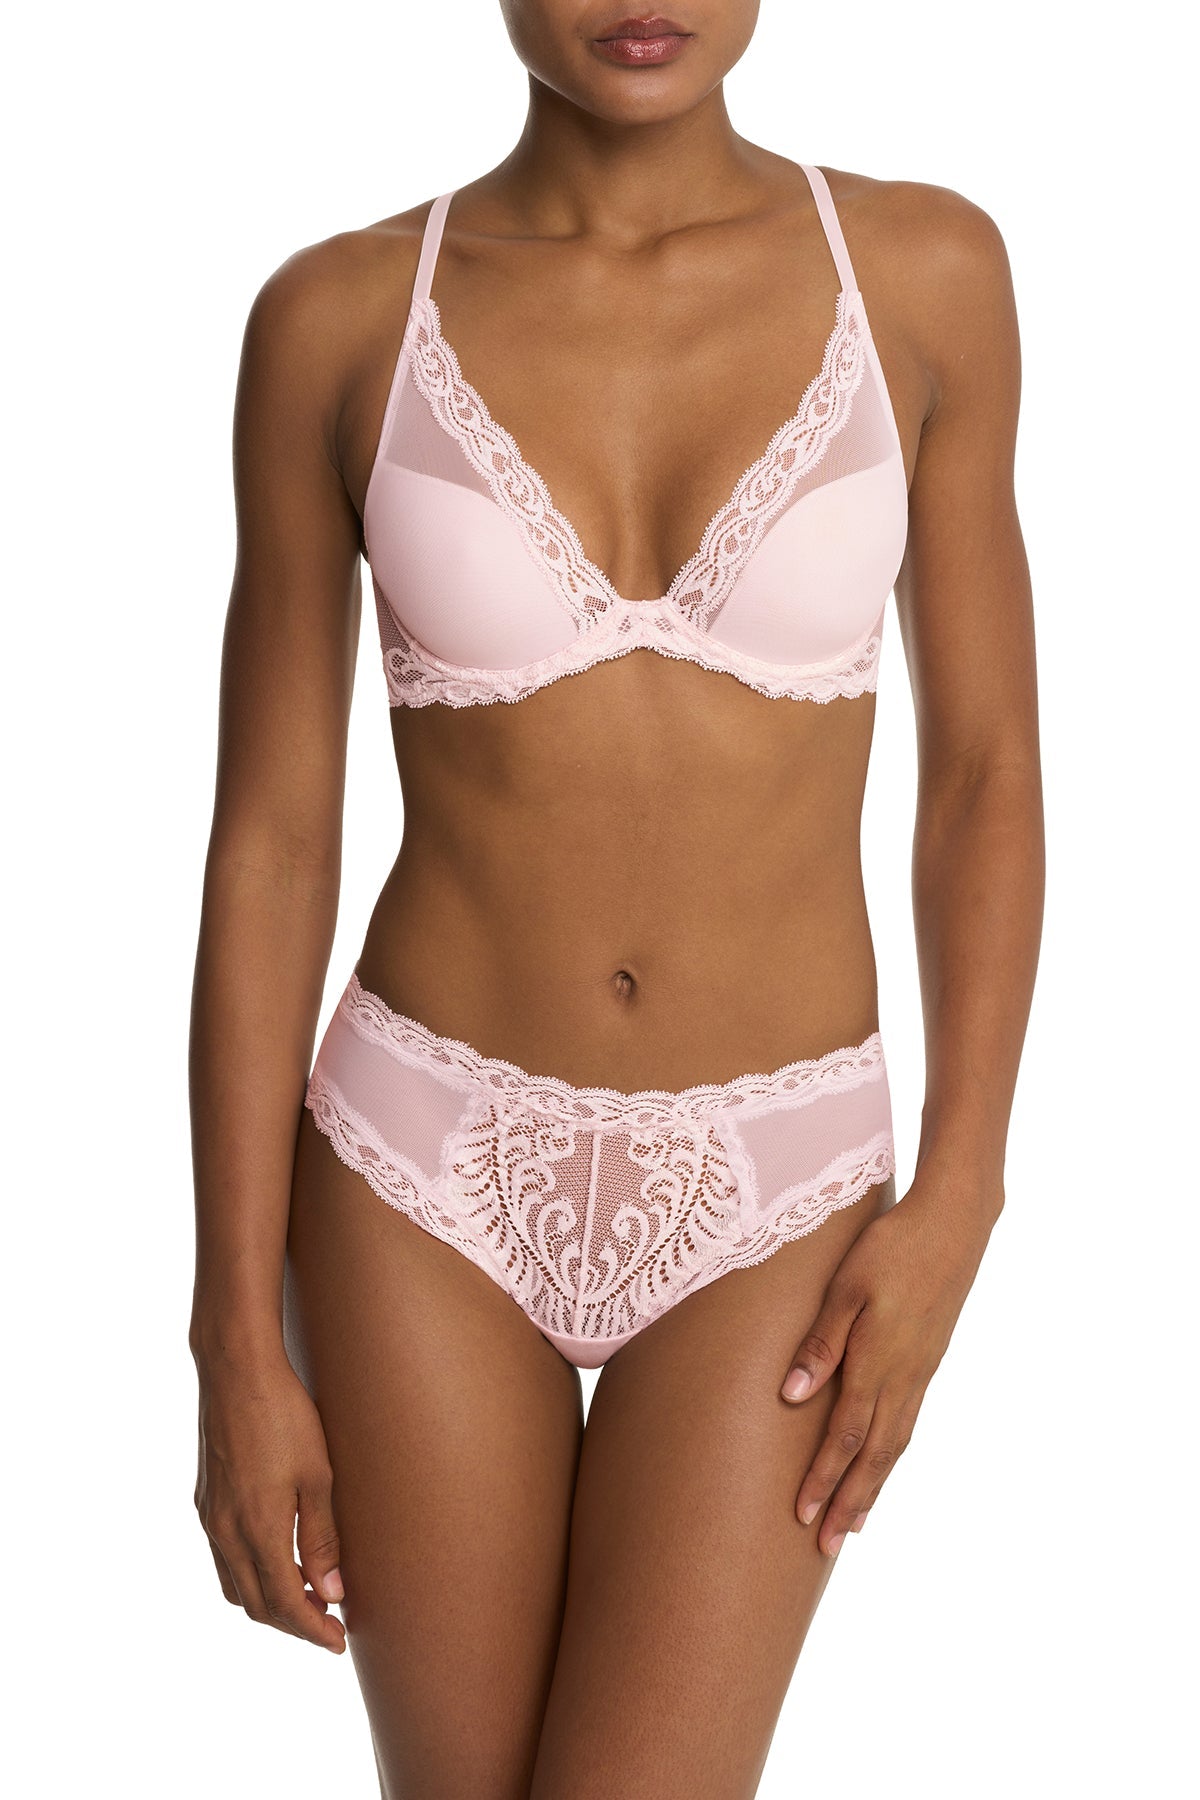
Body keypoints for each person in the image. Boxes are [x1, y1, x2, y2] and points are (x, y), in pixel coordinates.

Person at [189, 3, 1044, 1794]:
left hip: (777, 1192)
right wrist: (230, 1338)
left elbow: (982, 779)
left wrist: (964, 1190)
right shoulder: (338, 319)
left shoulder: (924, 276)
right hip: (420, 1170)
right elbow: (271, 841)